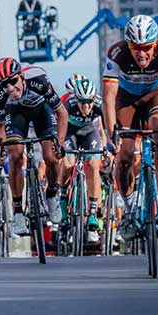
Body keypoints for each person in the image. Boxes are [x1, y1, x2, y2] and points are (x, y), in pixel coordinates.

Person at [102, 14, 158, 237]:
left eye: (146, 47)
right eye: (136, 47)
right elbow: (108, 97)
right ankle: (128, 212)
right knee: (125, 154)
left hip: (157, 95)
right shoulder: (117, 54)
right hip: (126, 100)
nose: (141, 53)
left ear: (154, 44)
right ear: (128, 44)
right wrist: (111, 135)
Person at [0, 57, 68, 236]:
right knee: (15, 155)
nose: (9, 88)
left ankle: (52, 194)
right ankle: (18, 212)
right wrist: (1, 148)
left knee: (51, 157)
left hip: (42, 111)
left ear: (21, 77)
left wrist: (61, 142)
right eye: (4, 85)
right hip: (16, 115)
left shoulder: (39, 80)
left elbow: (61, 112)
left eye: (12, 81)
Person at [58, 74, 106, 243]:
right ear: (75, 99)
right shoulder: (67, 104)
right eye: (82, 102)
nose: (86, 106)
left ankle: (92, 214)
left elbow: (106, 128)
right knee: (67, 162)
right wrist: (59, 145)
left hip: (89, 133)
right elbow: (59, 128)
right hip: (70, 132)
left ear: (94, 99)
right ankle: (63, 198)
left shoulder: (100, 104)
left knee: (93, 165)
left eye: (89, 102)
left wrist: (110, 147)